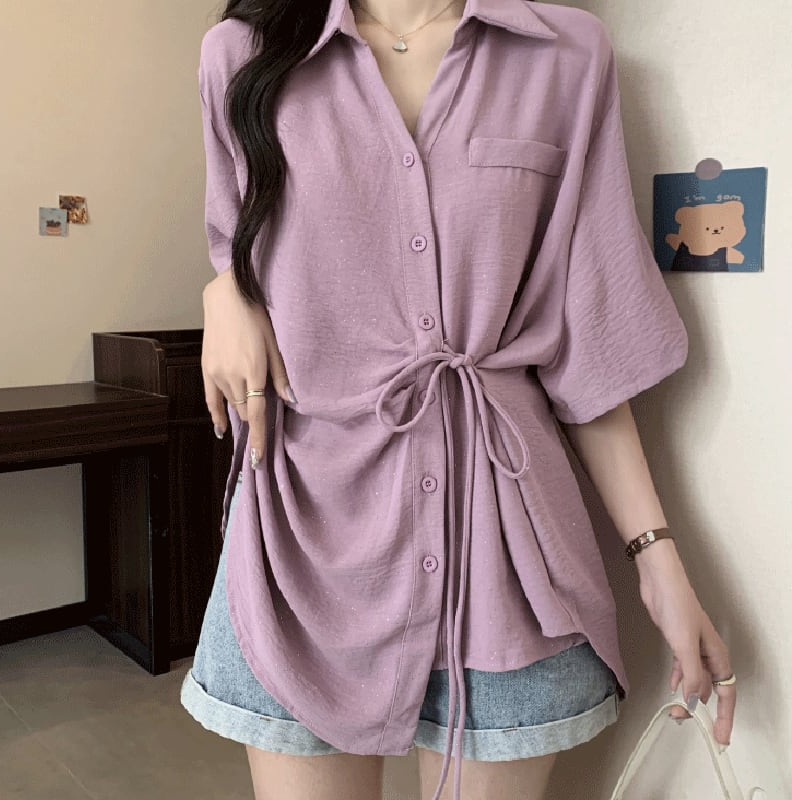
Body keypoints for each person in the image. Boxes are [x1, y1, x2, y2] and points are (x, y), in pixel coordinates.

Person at [179, 1, 738, 799]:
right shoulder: (241, 55)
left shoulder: (564, 54)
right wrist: (225, 287)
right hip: (305, 540)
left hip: (504, 558)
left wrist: (659, 560)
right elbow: (241, 242)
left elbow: (585, 344)